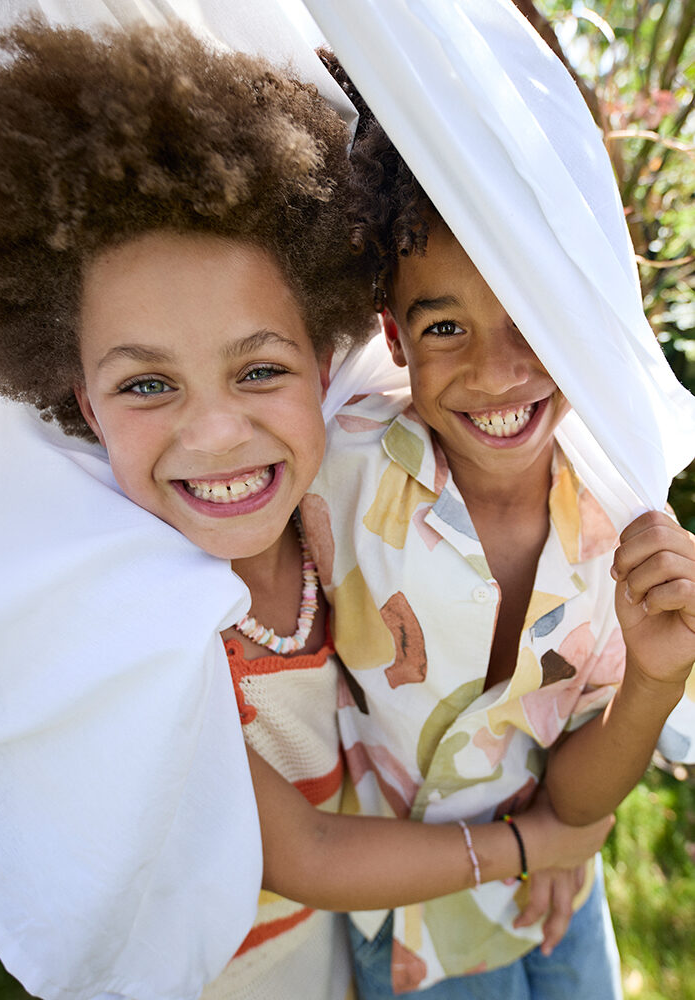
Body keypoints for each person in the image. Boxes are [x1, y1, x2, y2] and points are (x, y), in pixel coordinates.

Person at [0, 19, 614, 1000]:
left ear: (326, 367)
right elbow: (306, 849)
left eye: (260, 370)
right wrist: (535, 843)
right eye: (147, 385)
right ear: (82, 403)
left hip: (351, 944)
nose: (216, 435)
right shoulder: (151, 626)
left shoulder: (335, 501)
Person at [298, 53, 695, 999]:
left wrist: (654, 679)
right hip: (412, 925)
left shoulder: (618, 519)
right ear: (393, 335)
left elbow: (578, 796)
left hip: (556, 895)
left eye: (532, 319)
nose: (497, 372)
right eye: (445, 328)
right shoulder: (335, 471)